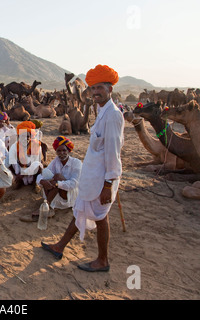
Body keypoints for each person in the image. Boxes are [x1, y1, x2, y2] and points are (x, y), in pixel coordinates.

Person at [41, 64, 124, 273]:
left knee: (101, 218)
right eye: (93, 88)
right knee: (80, 209)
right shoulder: (101, 111)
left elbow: (113, 154)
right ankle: (59, 247)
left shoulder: (113, 115)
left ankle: (102, 260)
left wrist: (108, 185)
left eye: (100, 88)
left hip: (101, 180)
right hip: (91, 178)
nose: (95, 92)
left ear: (110, 89)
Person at [20, 136, 82, 222]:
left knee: (57, 178)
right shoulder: (56, 161)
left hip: (69, 195)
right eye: (59, 151)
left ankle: (46, 206)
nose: (62, 153)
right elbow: (43, 174)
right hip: (56, 193)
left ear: (68, 151)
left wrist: (57, 183)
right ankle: (49, 207)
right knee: (46, 174)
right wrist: (42, 181)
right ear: (56, 152)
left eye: (64, 150)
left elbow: (73, 184)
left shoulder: (76, 163)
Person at [7, 121, 43, 189]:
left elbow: (34, 162)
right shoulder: (15, 146)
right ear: (18, 137)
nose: (25, 139)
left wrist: (23, 174)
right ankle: (18, 182)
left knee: (38, 165)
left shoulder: (36, 145)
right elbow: (10, 160)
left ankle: (35, 183)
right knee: (10, 162)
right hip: (20, 169)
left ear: (30, 137)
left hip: (31, 169)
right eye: (22, 136)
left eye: (27, 136)